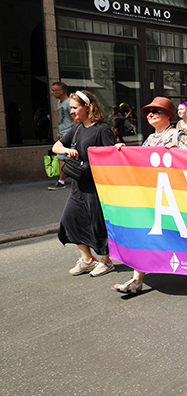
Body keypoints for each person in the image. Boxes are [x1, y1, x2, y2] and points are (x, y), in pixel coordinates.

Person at [113, 97, 187, 293]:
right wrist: (123, 152)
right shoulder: (149, 139)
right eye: (148, 111)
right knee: (146, 233)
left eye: (155, 111)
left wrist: (179, 153)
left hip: (173, 196)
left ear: (168, 116)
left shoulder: (178, 135)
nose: (150, 114)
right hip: (151, 195)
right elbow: (138, 162)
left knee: (181, 233)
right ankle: (137, 280)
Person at [52, 90, 118, 277]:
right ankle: (87, 259)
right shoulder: (77, 128)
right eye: (71, 108)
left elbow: (112, 156)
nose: (71, 111)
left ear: (87, 107)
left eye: (75, 107)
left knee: (97, 224)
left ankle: (106, 261)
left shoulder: (102, 129)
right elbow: (55, 146)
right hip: (78, 184)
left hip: (95, 186)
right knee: (69, 219)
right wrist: (66, 149)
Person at [49, 81, 76, 190]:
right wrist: (58, 132)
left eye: (54, 90)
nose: (52, 92)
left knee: (61, 157)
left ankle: (61, 181)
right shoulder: (59, 103)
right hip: (64, 132)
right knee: (65, 157)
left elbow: (75, 118)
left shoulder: (69, 103)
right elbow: (60, 119)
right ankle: (64, 180)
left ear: (61, 91)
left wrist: (72, 132)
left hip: (69, 132)